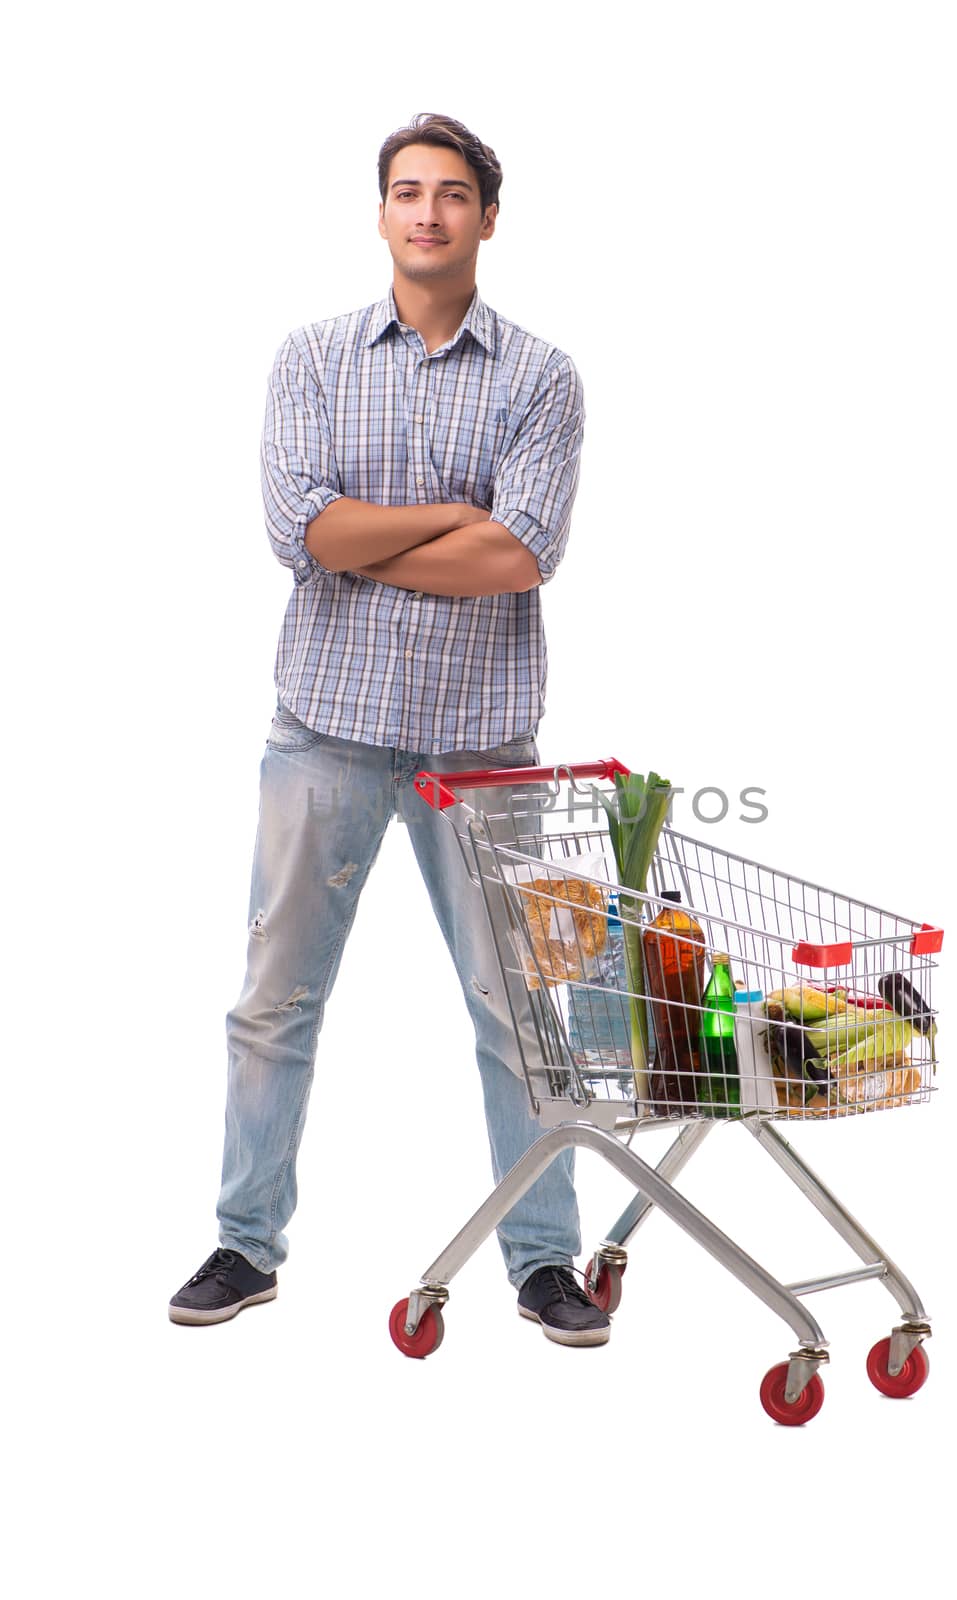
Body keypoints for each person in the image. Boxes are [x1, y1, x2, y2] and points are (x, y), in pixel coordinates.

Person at [169, 112, 609, 1347]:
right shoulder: (310, 359)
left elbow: (524, 553)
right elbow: (301, 532)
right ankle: (244, 1245)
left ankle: (541, 1260)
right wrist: (444, 519)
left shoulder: (541, 376)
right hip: (325, 733)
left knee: (524, 1013)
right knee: (274, 1001)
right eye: (407, 192)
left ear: (487, 218)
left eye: (453, 194)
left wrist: (378, 529)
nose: (428, 212)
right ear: (379, 215)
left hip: (484, 747)